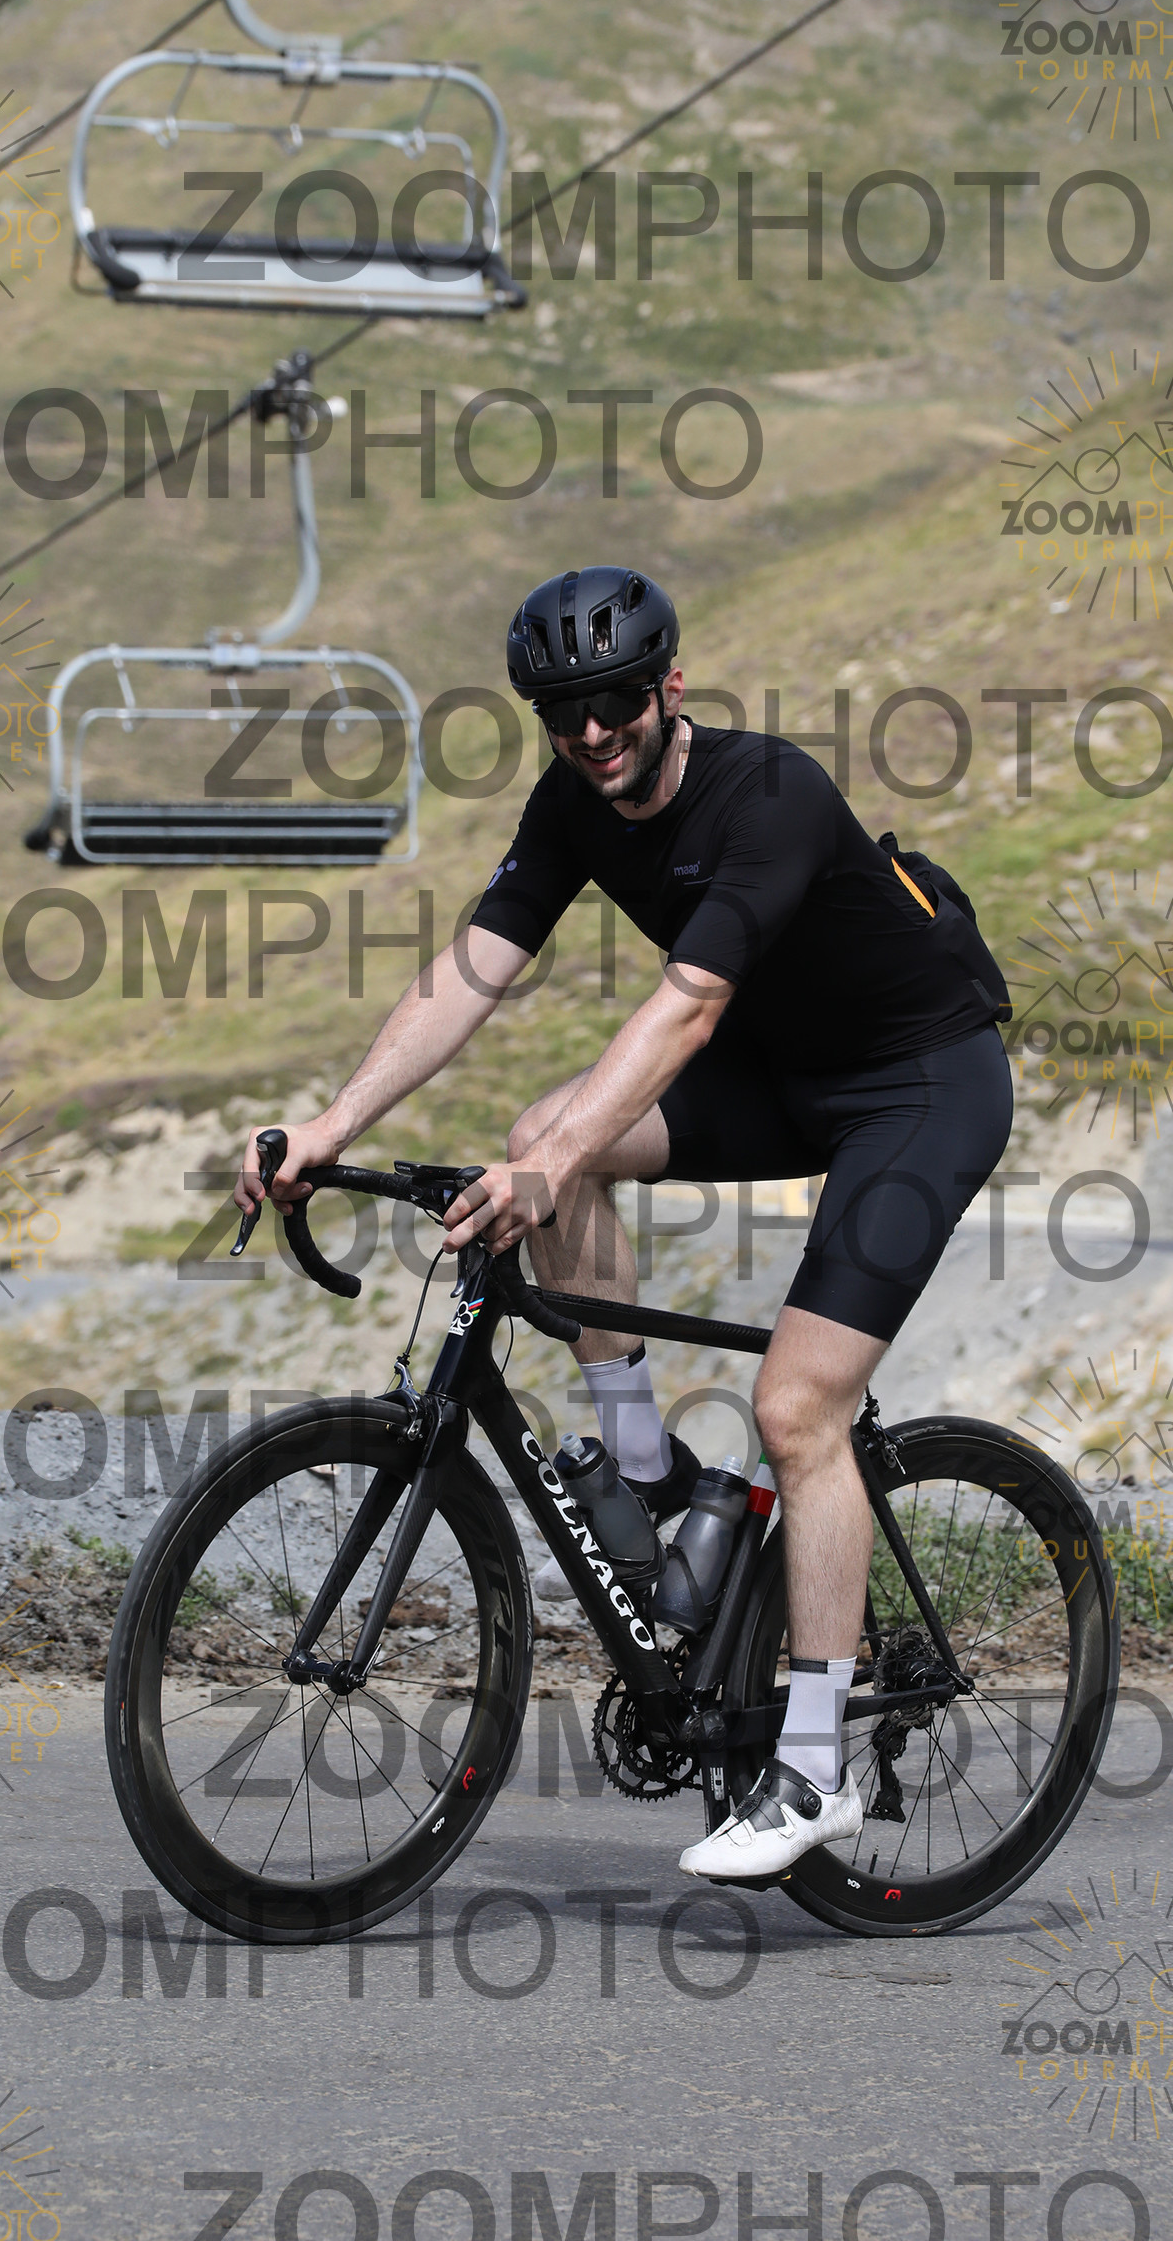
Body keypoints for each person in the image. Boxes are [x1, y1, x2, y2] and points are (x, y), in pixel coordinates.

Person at [235, 565, 1014, 1881]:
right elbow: (471, 971)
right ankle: (649, 1481)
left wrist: (550, 1170)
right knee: (544, 1130)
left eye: (614, 703)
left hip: (920, 1084)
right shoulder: (571, 804)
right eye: (562, 712)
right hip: (783, 1075)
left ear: (670, 687)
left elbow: (688, 1007)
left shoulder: (770, 795)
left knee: (797, 1411)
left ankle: (814, 1769)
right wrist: (332, 1123)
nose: (593, 732)